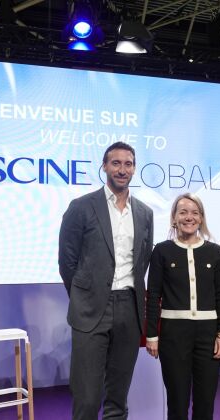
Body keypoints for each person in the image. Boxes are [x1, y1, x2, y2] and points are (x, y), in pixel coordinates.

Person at [58, 141, 154, 420]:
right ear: (104, 167)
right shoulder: (81, 207)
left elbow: (142, 260)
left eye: (128, 164)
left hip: (130, 308)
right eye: (116, 163)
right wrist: (82, 295)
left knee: (118, 397)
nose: (122, 169)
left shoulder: (144, 213)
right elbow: (67, 262)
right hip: (91, 309)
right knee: (87, 398)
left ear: (134, 168)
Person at [146, 193, 220, 420]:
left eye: (195, 212)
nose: (189, 217)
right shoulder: (162, 251)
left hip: (207, 334)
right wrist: (151, 334)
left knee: (205, 401)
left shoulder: (214, 251)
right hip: (174, 335)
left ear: (201, 218)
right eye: (183, 212)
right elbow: (153, 295)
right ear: (174, 218)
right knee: (177, 401)